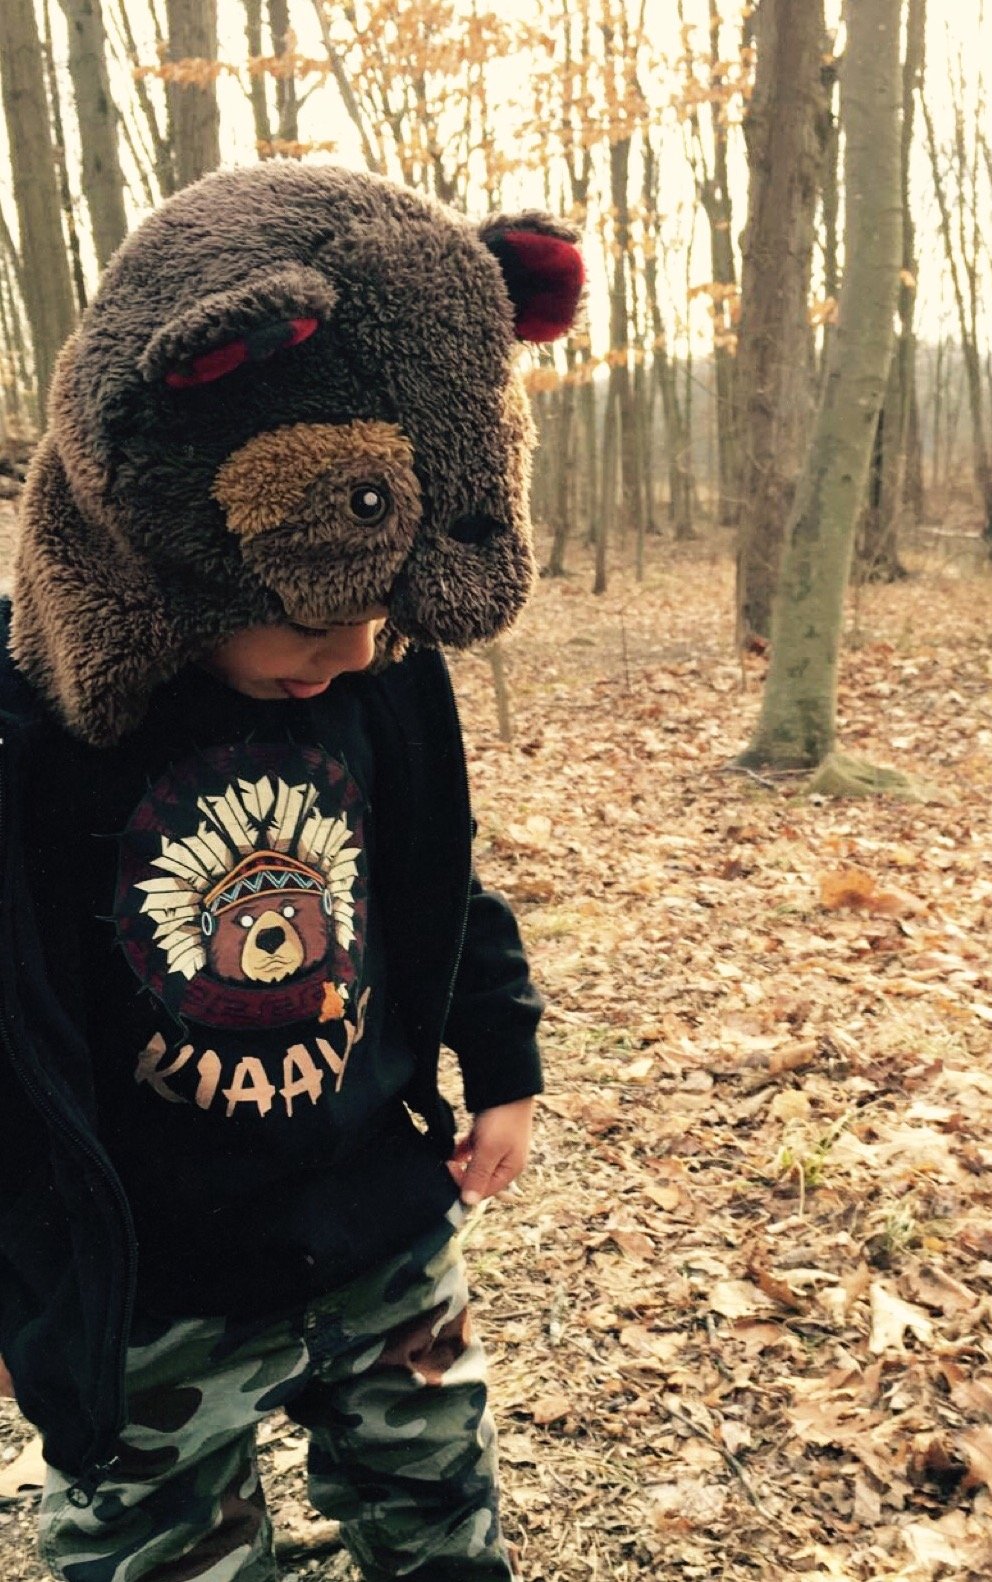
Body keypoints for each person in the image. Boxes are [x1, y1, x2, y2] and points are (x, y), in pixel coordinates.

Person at [0, 161, 583, 1580]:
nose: (357, 651)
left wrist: (501, 1057)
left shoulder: (380, 673)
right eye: (318, 621)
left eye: (379, 618)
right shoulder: (36, 737)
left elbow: (436, 879)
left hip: (378, 1225)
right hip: (154, 1288)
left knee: (440, 1508)